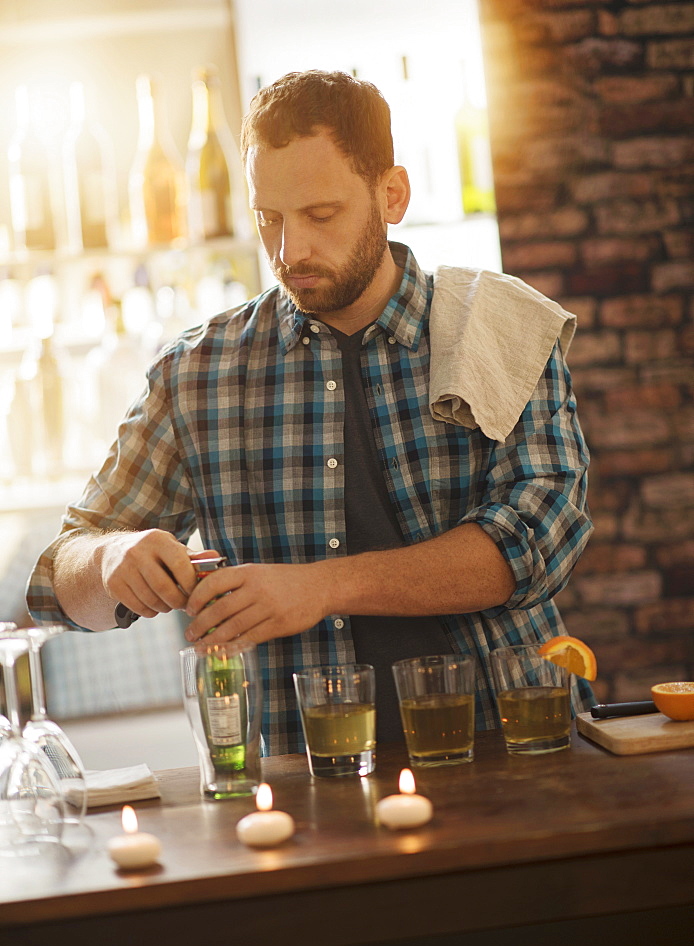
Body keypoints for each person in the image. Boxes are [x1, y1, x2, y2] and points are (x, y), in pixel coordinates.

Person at [27, 70, 594, 755]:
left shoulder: (498, 328)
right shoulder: (195, 373)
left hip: (512, 744)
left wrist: (322, 587)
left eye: (320, 216)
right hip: (303, 779)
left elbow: (540, 537)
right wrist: (112, 555)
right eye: (269, 218)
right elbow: (61, 579)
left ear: (393, 195)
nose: (288, 251)